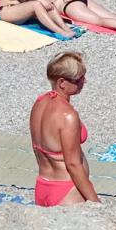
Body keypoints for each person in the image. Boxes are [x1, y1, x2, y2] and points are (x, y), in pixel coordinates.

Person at [29, 51, 99, 207]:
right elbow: (73, 165)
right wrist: (95, 202)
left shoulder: (39, 103)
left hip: (42, 185)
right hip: (66, 191)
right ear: (62, 82)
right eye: (79, 79)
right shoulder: (68, 116)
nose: (84, 81)